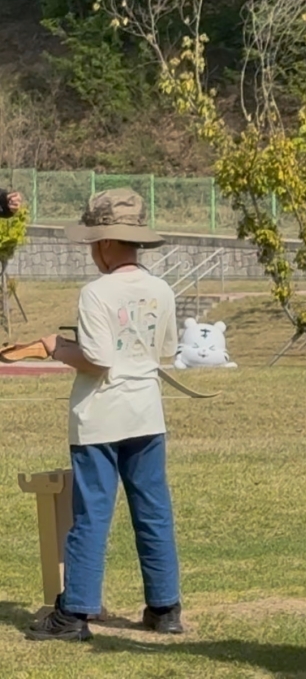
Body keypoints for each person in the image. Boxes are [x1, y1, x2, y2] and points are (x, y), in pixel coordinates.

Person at [25, 188, 184, 642]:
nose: (93, 250)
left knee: (91, 511)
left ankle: (74, 613)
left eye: (95, 240)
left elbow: (96, 360)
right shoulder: (161, 288)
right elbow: (167, 350)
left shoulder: (96, 292)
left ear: (108, 243)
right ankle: (165, 606)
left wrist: (57, 347)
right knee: (153, 509)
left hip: (99, 416)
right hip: (147, 414)